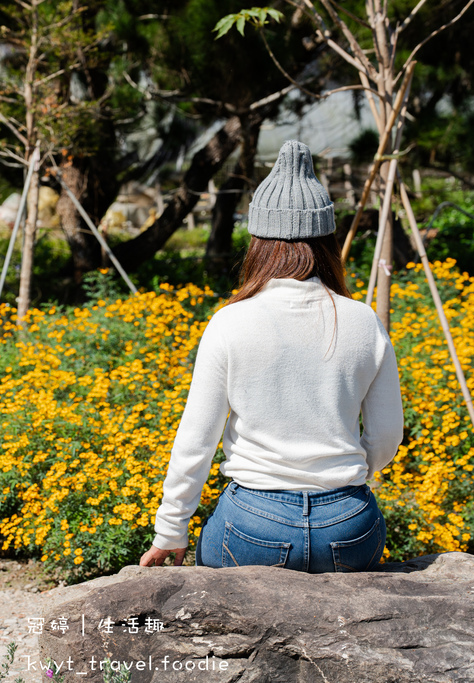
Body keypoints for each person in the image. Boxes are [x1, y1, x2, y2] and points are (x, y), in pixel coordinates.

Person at [138, 140, 404, 572]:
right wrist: (347, 475)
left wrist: (171, 530)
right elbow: (387, 434)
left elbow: (196, 441)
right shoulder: (362, 321)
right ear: (327, 241)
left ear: (258, 241)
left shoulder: (230, 322)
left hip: (253, 523)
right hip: (350, 525)